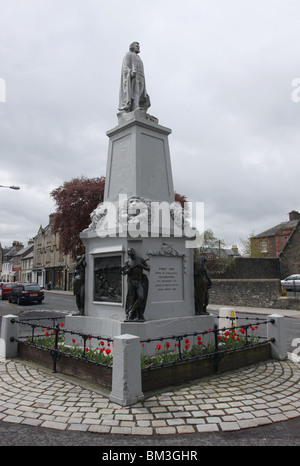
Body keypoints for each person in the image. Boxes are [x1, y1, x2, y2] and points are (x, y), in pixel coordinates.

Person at [119, 42, 151, 113]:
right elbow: (125, 66)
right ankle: (135, 106)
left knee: (141, 93)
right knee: (135, 91)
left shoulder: (139, 58)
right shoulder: (128, 55)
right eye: (136, 46)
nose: (138, 47)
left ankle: (138, 106)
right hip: (134, 77)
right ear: (132, 47)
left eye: (138, 46)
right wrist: (130, 72)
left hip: (141, 77)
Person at [121, 248, 150, 321]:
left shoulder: (140, 259)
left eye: (134, 254)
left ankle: (131, 311)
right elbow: (123, 273)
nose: (133, 256)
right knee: (132, 298)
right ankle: (132, 314)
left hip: (139, 282)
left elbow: (148, 268)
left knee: (141, 297)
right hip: (131, 282)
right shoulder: (127, 262)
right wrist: (127, 271)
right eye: (131, 255)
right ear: (129, 255)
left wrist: (141, 266)